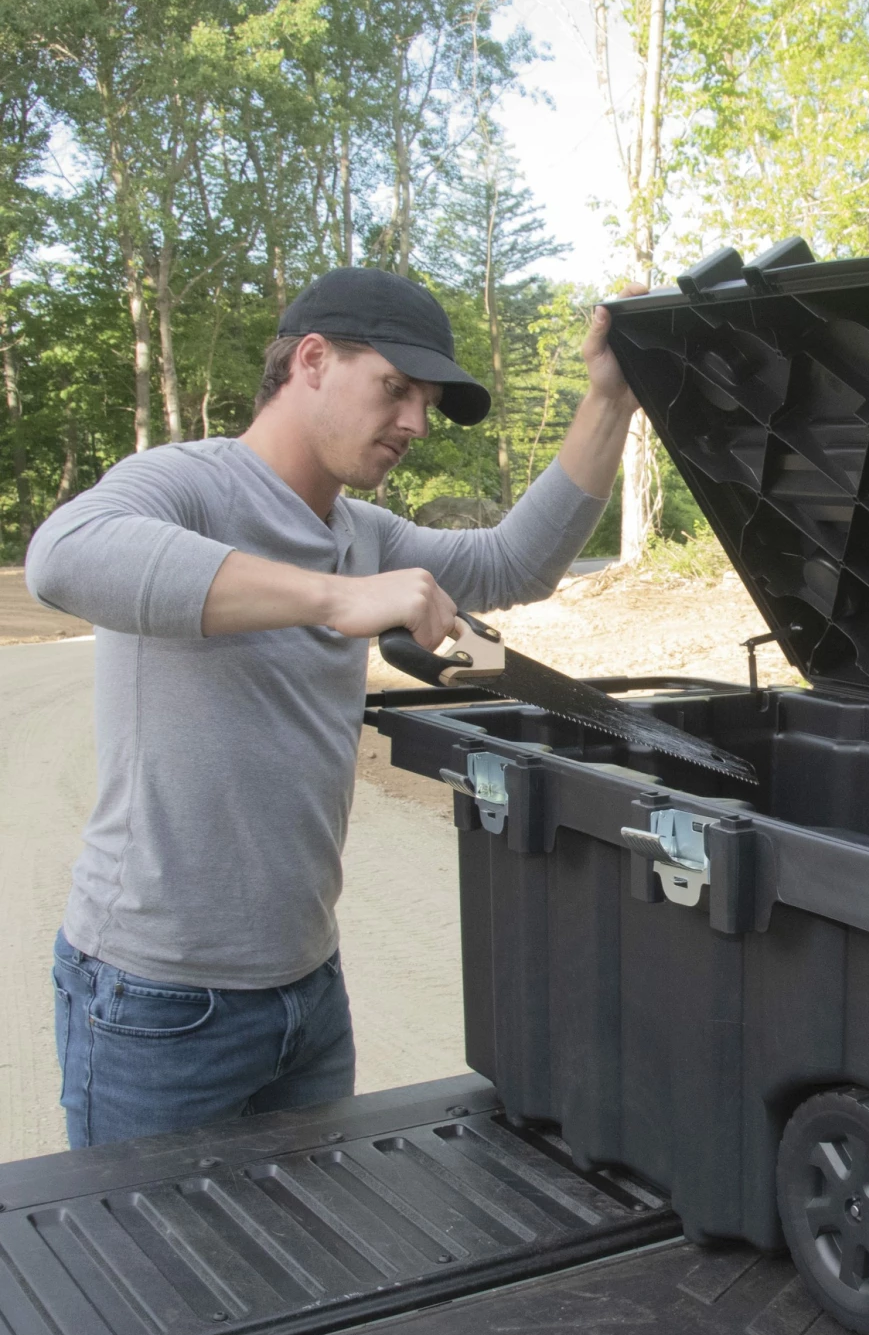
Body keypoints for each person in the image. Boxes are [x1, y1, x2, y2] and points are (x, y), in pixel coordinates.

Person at [25, 267, 643, 1149]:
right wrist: (334, 598)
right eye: (396, 389)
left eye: (427, 403)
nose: (415, 423)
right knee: (146, 1246)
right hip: (155, 1002)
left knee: (309, 1241)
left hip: (307, 990)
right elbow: (63, 557)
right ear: (311, 360)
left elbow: (515, 564)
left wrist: (610, 399)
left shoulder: (364, 533)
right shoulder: (187, 484)